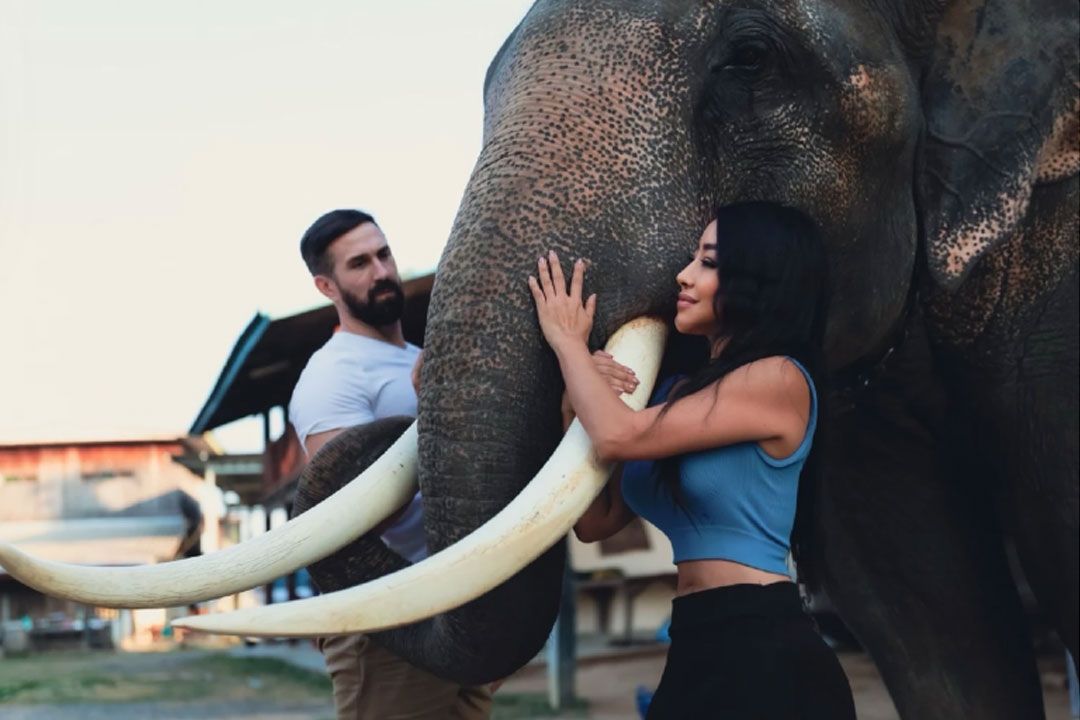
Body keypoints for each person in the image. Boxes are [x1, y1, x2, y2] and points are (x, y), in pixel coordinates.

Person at [528, 202, 856, 719]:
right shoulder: (683, 394)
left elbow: (616, 436)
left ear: (759, 278)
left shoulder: (780, 379)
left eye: (708, 261)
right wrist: (575, 402)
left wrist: (568, 344)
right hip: (697, 638)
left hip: (765, 646)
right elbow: (596, 522)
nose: (683, 275)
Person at [288, 208, 492, 720]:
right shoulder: (331, 377)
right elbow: (353, 517)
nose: (380, 273)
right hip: (387, 619)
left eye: (384, 254)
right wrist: (435, 414)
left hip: (454, 600)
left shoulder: (417, 357)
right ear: (326, 286)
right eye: (358, 263)